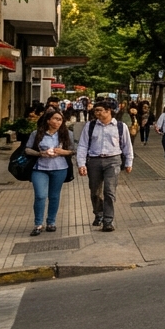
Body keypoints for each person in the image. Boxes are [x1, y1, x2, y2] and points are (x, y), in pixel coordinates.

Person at [76, 100, 133, 232]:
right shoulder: (90, 126)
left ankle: (108, 220)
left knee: (109, 191)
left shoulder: (120, 126)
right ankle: (99, 213)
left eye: (100, 110)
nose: (97, 113)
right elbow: (83, 145)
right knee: (95, 191)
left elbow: (127, 145)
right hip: (94, 161)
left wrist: (129, 162)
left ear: (108, 111)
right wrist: (81, 163)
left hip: (113, 161)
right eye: (95, 111)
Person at [26, 108, 74, 236]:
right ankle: (38, 224)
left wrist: (63, 152)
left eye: (60, 120)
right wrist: (40, 153)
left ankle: (51, 222)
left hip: (59, 168)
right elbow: (27, 149)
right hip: (40, 168)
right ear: (48, 120)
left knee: (54, 196)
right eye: (55, 119)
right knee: (40, 195)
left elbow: (73, 150)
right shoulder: (37, 133)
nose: (58, 122)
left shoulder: (66, 134)